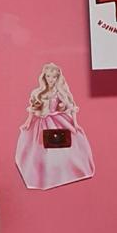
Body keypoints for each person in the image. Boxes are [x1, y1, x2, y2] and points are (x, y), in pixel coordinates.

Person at [15, 62, 95, 190]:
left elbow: (71, 108)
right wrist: (28, 122)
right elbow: (33, 109)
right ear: (44, 77)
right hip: (41, 122)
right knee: (38, 150)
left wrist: (75, 123)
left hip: (57, 121)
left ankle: (61, 173)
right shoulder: (39, 92)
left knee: (62, 148)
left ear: (57, 77)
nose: (50, 79)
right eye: (48, 76)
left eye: (53, 77)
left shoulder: (60, 93)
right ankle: (42, 176)